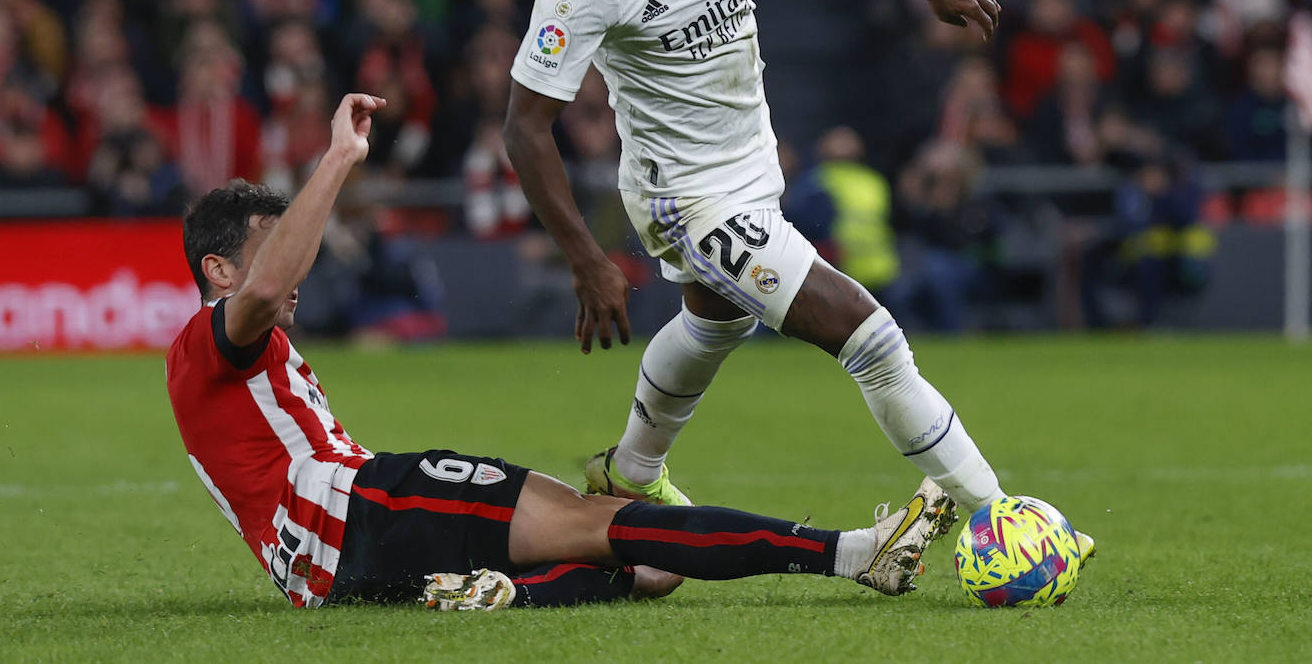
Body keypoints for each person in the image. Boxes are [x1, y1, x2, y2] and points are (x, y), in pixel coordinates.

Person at [502, 0, 1093, 570]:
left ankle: (632, 470)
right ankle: (1003, 519)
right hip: (687, 197)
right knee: (872, 339)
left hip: (749, 164)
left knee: (718, 321)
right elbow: (525, 126)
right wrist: (584, 257)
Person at [165, 92, 964, 611]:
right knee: (611, 523)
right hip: (358, 506)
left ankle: (502, 593)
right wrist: (338, 159)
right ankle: (859, 553)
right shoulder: (213, 335)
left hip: (328, 565)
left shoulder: (222, 359)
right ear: (218, 270)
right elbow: (264, 294)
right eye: (268, 250)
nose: (288, 272)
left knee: (648, 566)